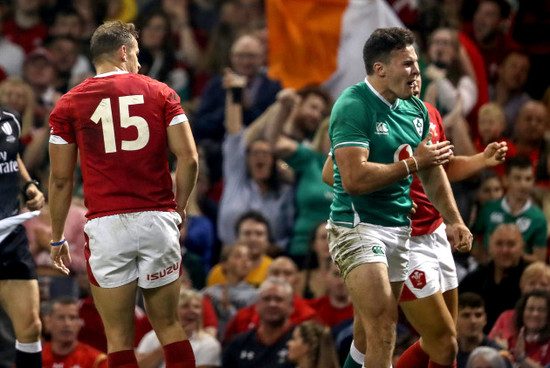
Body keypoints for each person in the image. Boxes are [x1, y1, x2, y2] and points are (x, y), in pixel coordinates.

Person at [48, 21, 198, 368]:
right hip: (157, 218)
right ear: (123, 52)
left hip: (107, 225)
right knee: (170, 326)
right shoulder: (161, 92)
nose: (139, 64)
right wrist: (181, 205)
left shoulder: (69, 104)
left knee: (118, 337)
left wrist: (58, 237)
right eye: (137, 56)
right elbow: (189, 158)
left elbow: (59, 179)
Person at [325, 27, 471, 368]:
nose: (416, 71)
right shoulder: (352, 105)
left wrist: (455, 220)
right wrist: (413, 163)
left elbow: (432, 173)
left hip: (400, 230)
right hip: (357, 227)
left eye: (416, 63)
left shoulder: (416, 110)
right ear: (380, 69)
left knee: (366, 336)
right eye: (407, 64)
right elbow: (353, 179)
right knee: (383, 328)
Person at [0, 103, 45, 368]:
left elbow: (11, 156)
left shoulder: (10, 119)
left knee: (30, 328)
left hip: (9, 233)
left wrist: (28, 184)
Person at [472, 156, 547, 264]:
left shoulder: (538, 218)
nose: (523, 184)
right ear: (505, 180)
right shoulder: (489, 209)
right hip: (487, 271)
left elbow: (539, 260)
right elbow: (471, 238)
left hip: (520, 276)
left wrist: (508, 255)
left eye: (528, 179)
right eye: (517, 178)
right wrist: (479, 254)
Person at [460, 223, 528, 332]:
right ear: (490, 246)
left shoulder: (530, 282)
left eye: (511, 244)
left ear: (522, 248)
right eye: (499, 244)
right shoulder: (474, 279)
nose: (504, 250)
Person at [136, 288, 222, 368]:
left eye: (197, 307)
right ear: (173, 311)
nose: (193, 311)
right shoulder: (152, 337)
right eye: (185, 306)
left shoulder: (208, 343)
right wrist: (166, 346)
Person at [222, 277, 294, 368]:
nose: (272, 304)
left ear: (291, 306)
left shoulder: (301, 343)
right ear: (257, 305)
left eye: (279, 299)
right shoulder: (238, 344)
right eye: (266, 299)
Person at [201, 243, 258, 339]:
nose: (245, 260)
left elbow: (248, 325)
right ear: (224, 264)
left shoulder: (256, 294)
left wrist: (227, 308)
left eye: (248, 257)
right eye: (238, 256)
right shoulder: (209, 292)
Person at [490, 262, 550, 348]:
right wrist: (500, 349)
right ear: (522, 287)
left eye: (543, 284)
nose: (537, 288)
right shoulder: (506, 317)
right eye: (532, 283)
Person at [207, 211, 273, 287]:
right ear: (237, 238)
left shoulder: (274, 270)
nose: (253, 239)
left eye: (259, 234)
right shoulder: (219, 272)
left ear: (267, 240)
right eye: (247, 233)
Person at [42, 296, 108, 368]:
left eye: (72, 318)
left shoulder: (97, 361)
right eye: (61, 317)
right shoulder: (35, 358)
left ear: (79, 323)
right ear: (47, 322)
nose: (67, 323)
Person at [456, 292, 507, 368]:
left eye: (478, 315)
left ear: (485, 319)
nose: (473, 321)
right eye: (466, 315)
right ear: (454, 320)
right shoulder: (446, 354)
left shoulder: (498, 356)